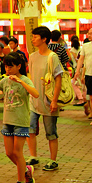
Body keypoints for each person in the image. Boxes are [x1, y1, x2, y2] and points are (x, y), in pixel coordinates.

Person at [0, 51, 39, 183]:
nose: (8, 69)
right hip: (7, 121)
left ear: (19, 66)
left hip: (21, 121)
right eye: (6, 67)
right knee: (9, 153)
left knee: (17, 151)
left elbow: (35, 94)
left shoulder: (25, 80)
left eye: (11, 67)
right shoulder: (5, 80)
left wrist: (20, 81)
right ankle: (26, 170)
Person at [27, 26, 63, 171]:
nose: (33, 39)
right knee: (30, 128)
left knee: (51, 132)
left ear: (44, 39)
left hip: (48, 100)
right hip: (33, 99)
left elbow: (58, 78)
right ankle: (33, 156)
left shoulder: (52, 57)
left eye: (35, 37)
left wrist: (54, 100)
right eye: (32, 36)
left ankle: (53, 160)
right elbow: (30, 77)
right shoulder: (32, 56)